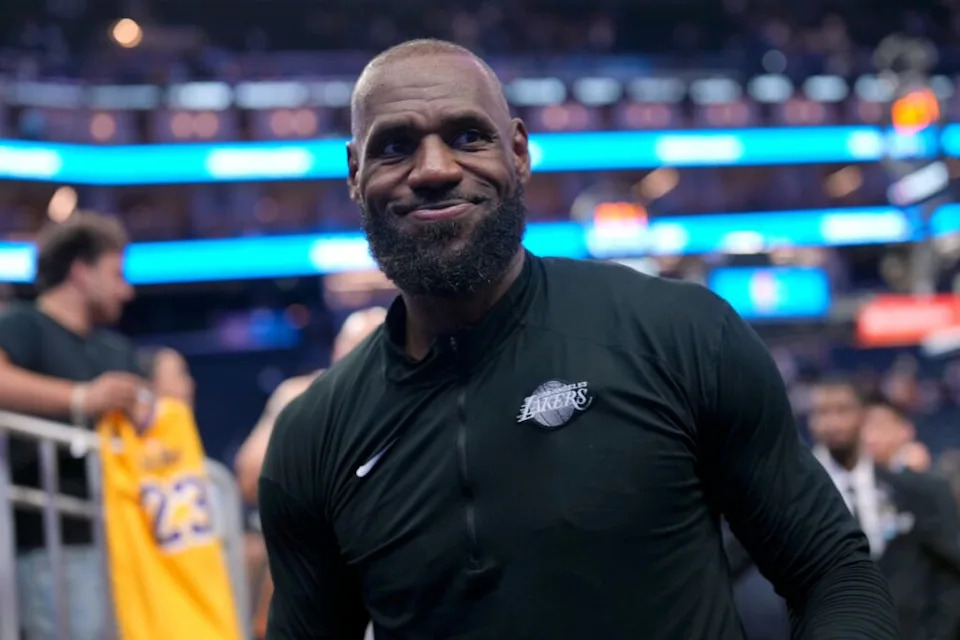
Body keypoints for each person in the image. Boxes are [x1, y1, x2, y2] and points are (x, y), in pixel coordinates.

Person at [258, 39, 899, 639]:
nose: (433, 170)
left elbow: (833, 575)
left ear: (518, 152)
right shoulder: (314, 435)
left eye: (466, 137)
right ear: (353, 173)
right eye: (395, 146)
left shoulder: (677, 333)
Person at [0, 212, 149, 640]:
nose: (128, 291)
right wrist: (82, 399)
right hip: (53, 541)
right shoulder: (22, 324)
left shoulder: (114, 348)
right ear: (82, 272)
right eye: (116, 274)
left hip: (125, 539)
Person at [234, 306, 386, 639]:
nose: (369, 361)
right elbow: (249, 478)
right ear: (337, 351)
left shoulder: (418, 403)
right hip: (316, 563)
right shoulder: (303, 395)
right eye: (359, 347)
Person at [809, 379, 960, 640]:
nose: (833, 423)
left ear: (862, 418)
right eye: (822, 413)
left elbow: (950, 571)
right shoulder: (800, 497)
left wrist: (940, 633)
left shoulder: (916, 489)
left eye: (842, 411)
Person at [862, 396, 932, 473]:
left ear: (905, 430)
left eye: (880, 426)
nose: (869, 436)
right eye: (863, 427)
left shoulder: (911, 466)